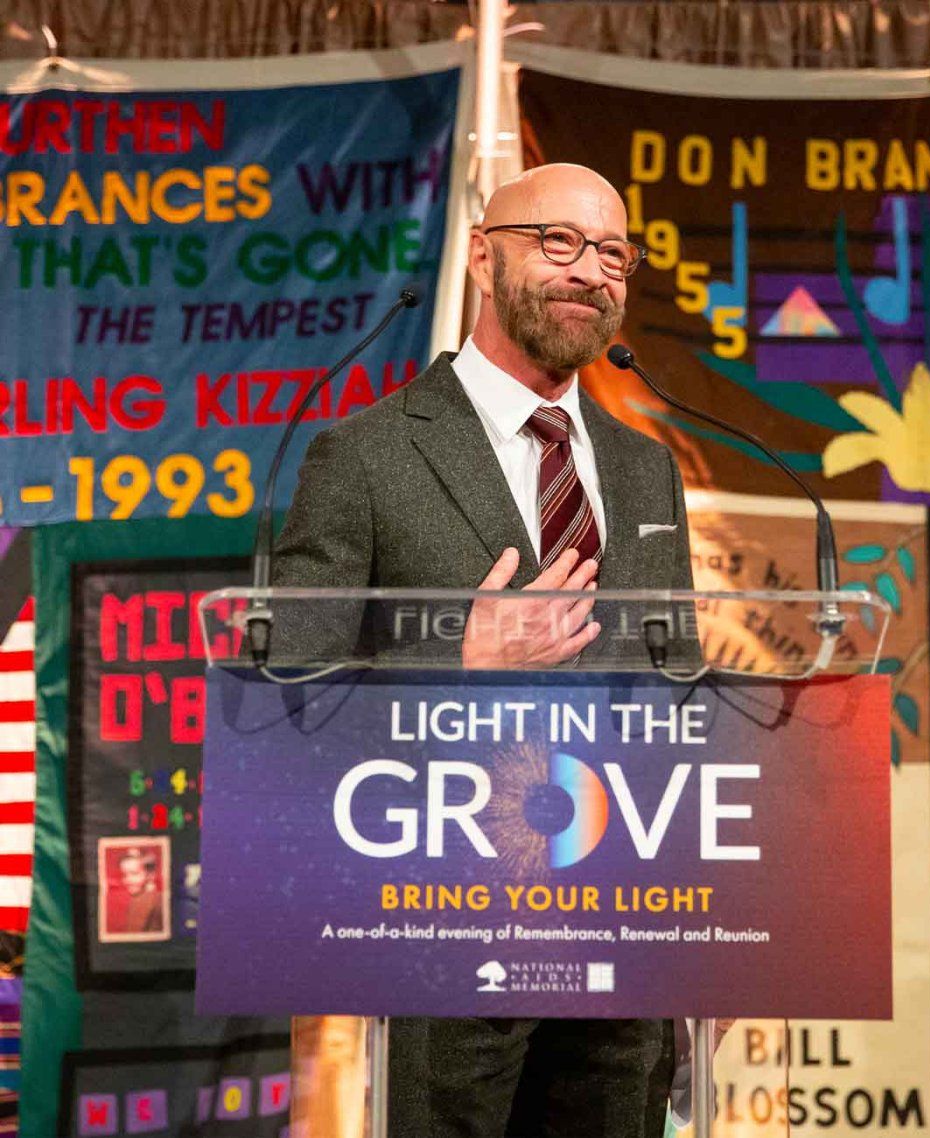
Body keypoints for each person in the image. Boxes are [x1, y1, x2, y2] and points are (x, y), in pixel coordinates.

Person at [274, 163, 695, 1137]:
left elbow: (679, 690)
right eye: (559, 242)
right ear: (480, 253)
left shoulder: (645, 470)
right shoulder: (368, 453)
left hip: (626, 940)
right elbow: (288, 692)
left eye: (613, 253)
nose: (591, 271)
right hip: (446, 942)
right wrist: (452, 661)